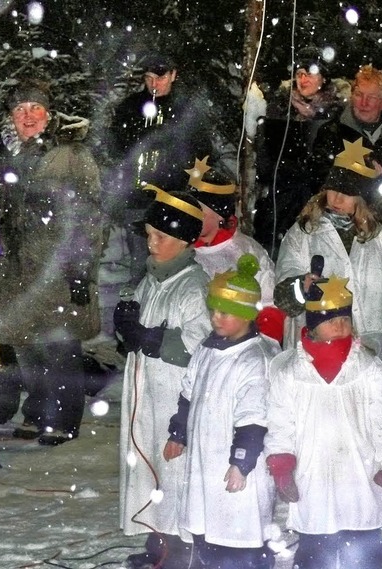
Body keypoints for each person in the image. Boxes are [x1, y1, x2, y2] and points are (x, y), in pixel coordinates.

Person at [0, 78, 103, 445]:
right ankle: (36, 413)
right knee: (27, 347)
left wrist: (81, 269)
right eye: (19, 110)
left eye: (35, 109)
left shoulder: (71, 154)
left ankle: (62, 419)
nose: (27, 116)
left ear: (48, 114)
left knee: (59, 348)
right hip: (11, 269)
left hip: (56, 269)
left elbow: (90, 217)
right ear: (10, 117)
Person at [265, 268, 382, 569]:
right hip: (312, 479)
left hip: (361, 479)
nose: (340, 326)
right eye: (331, 321)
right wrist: (281, 465)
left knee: (364, 553)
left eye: (345, 320)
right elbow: (280, 423)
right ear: (314, 326)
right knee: (316, 553)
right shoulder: (291, 374)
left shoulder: (368, 369)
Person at [113, 187, 212, 569]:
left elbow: (200, 343)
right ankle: (159, 540)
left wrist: (153, 340)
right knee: (148, 464)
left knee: (174, 471)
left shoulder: (193, 285)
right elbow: (137, 326)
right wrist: (127, 326)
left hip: (174, 394)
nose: (151, 243)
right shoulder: (151, 279)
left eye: (161, 236)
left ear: (186, 240)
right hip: (147, 391)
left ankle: (182, 549)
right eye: (149, 235)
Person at [163, 253, 280, 569]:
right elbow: (188, 395)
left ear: (246, 316)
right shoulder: (206, 349)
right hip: (205, 460)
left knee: (239, 536)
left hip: (237, 465)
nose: (216, 318)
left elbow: (254, 419)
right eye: (214, 310)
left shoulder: (254, 360)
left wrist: (241, 462)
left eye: (226, 313)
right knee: (207, 529)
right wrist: (178, 433)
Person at [274, 138, 382, 348]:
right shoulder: (303, 233)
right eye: (333, 189)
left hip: (370, 352)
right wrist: (301, 287)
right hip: (318, 354)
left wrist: (379, 191)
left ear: (362, 196)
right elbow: (283, 298)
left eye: (347, 193)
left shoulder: (378, 233)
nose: (337, 199)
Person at [108, 51, 212, 285]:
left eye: (161, 77)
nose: (154, 84)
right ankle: (138, 316)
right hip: (138, 201)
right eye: (149, 78)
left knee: (174, 266)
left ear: (174, 75)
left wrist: (191, 192)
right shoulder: (130, 108)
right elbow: (116, 151)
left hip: (175, 202)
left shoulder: (187, 111)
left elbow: (204, 155)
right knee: (141, 266)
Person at [254, 47, 345, 259]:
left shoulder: (337, 112)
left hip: (317, 196)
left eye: (310, 73)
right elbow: (265, 155)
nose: (303, 79)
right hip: (281, 194)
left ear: (323, 77)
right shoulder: (280, 107)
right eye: (299, 74)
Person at [186, 156, 284, 343]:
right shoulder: (180, 249)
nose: (191, 218)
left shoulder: (246, 252)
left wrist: (254, 347)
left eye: (199, 212)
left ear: (220, 215)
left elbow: (270, 307)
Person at [314, 64, 382, 177]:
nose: (364, 103)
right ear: (351, 96)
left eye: (371, 97)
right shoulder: (332, 133)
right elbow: (318, 175)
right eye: (359, 95)